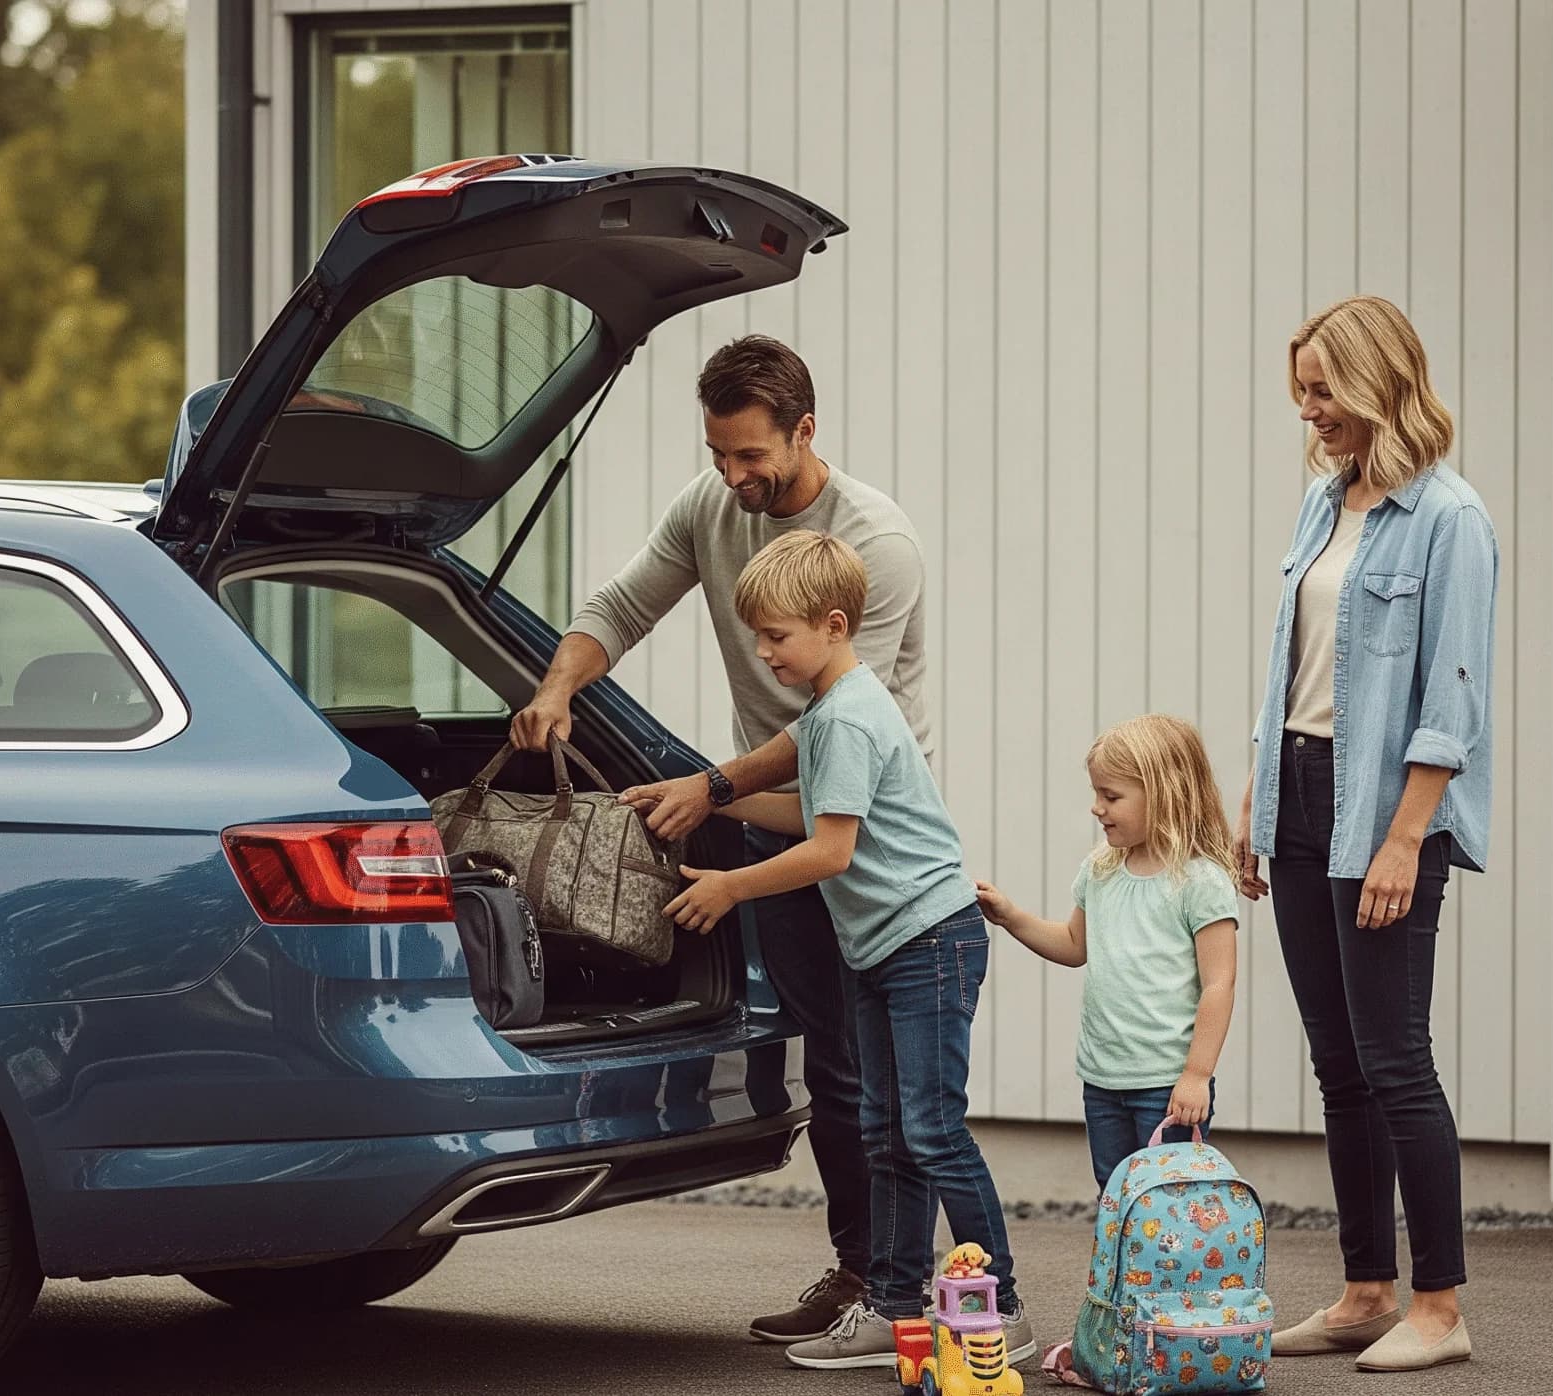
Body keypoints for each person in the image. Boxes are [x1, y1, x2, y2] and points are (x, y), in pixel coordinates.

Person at [507, 336, 931, 1345]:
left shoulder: (876, 543)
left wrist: (709, 787)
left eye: (752, 456)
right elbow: (621, 605)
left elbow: (833, 725)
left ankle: (913, 1288)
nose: (734, 477)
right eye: (719, 454)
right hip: (768, 820)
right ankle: (860, 1272)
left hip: (861, 832)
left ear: (805, 432)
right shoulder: (711, 506)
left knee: (882, 1075)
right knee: (829, 1065)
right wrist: (559, 683)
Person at [662, 530, 1034, 1372]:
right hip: (882, 947)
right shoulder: (830, 711)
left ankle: (1003, 1306)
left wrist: (731, 888)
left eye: (777, 635)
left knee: (932, 1131)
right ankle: (893, 1307)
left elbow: (832, 851)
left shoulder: (854, 717)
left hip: (929, 941)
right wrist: (717, 806)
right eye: (756, 634)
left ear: (834, 625)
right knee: (886, 1131)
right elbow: (808, 810)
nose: (763, 651)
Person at [1237, 296, 1495, 1373]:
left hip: (1383, 805)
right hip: (1298, 789)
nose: (1308, 412)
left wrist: (1404, 836)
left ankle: (1438, 1306)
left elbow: (1454, 694)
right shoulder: (1319, 502)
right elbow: (1288, 672)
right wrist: (1255, 811)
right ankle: (1362, 1290)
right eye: (1300, 392)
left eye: (1321, 390)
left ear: (1379, 379)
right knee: (1337, 1063)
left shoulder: (1450, 518)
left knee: (1395, 1060)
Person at [972, 714, 1241, 1189]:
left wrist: (1197, 1074)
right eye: (1096, 793)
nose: (1097, 808)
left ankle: (1167, 1271)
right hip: (1103, 1080)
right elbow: (1076, 946)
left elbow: (1219, 983)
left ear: (1164, 793)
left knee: (1169, 1203)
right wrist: (1010, 917)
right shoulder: (1100, 870)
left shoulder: (1200, 882)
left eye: (1111, 796)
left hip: (1167, 1083)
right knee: (1116, 1195)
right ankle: (1124, 1268)